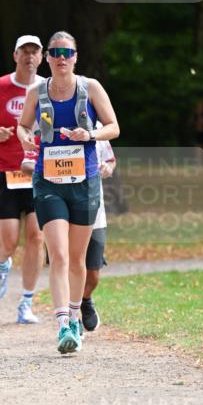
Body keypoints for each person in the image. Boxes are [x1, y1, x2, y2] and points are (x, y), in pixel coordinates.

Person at [18, 30, 119, 354]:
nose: (61, 58)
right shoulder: (37, 91)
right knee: (58, 255)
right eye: (56, 52)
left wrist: (89, 134)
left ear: (76, 57)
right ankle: (63, 325)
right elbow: (23, 124)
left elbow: (113, 126)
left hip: (85, 181)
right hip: (48, 182)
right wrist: (23, 136)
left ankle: (75, 315)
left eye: (67, 53)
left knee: (77, 259)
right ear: (47, 57)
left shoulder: (91, 88)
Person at [0, 35, 45, 324]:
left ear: (41, 57)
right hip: (5, 170)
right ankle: (3, 263)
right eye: (24, 52)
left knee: (37, 237)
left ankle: (26, 303)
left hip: (40, 171)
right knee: (9, 240)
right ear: (15, 55)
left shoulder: (48, 88)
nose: (29, 57)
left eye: (35, 52)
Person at [81, 132, 116, 332]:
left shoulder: (98, 129)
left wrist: (107, 168)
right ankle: (71, 316)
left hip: (94, 211)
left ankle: (85, 299)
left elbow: (110, 160)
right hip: (64, 210)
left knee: (93, 273)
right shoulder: (53, 123)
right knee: (67, 266)